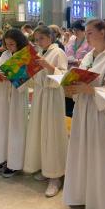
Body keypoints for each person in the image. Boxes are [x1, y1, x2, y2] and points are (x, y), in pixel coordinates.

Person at [63, 19, 105, 209]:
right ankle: (82, 196)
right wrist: (71, 87)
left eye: (90, 32)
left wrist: (90, 90)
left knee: (100, 158)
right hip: (84, 110)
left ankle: (102, 206)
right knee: (83, 153)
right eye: (86, 33)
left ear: (103, 32)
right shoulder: (90, 56)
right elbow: (80, 78)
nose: (86, 36)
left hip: (102, 114)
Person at [24, 26, 68, 197]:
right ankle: (46, 167)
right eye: (36, 39)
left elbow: (63, 76)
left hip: (52, 96)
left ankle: (56, 176)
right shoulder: (40, 53)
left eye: (41, 38)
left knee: (52, 133)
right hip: (41, 94)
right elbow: (36, 77)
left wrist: (49, 67)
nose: (38, 42)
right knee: (41, 131)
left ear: (51, 37)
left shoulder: (58, 53)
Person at [0, 29, 30, 178]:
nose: (9, 47)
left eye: (12, 44)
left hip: (17, 95)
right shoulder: (5, 54)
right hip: (3, 94)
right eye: (6, 44)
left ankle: (15, 163)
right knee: (3, 125)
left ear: (19, 42)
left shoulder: (25, 55)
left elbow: (27, 79)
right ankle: (3, 158)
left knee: (16, 126)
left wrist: (13, 77)